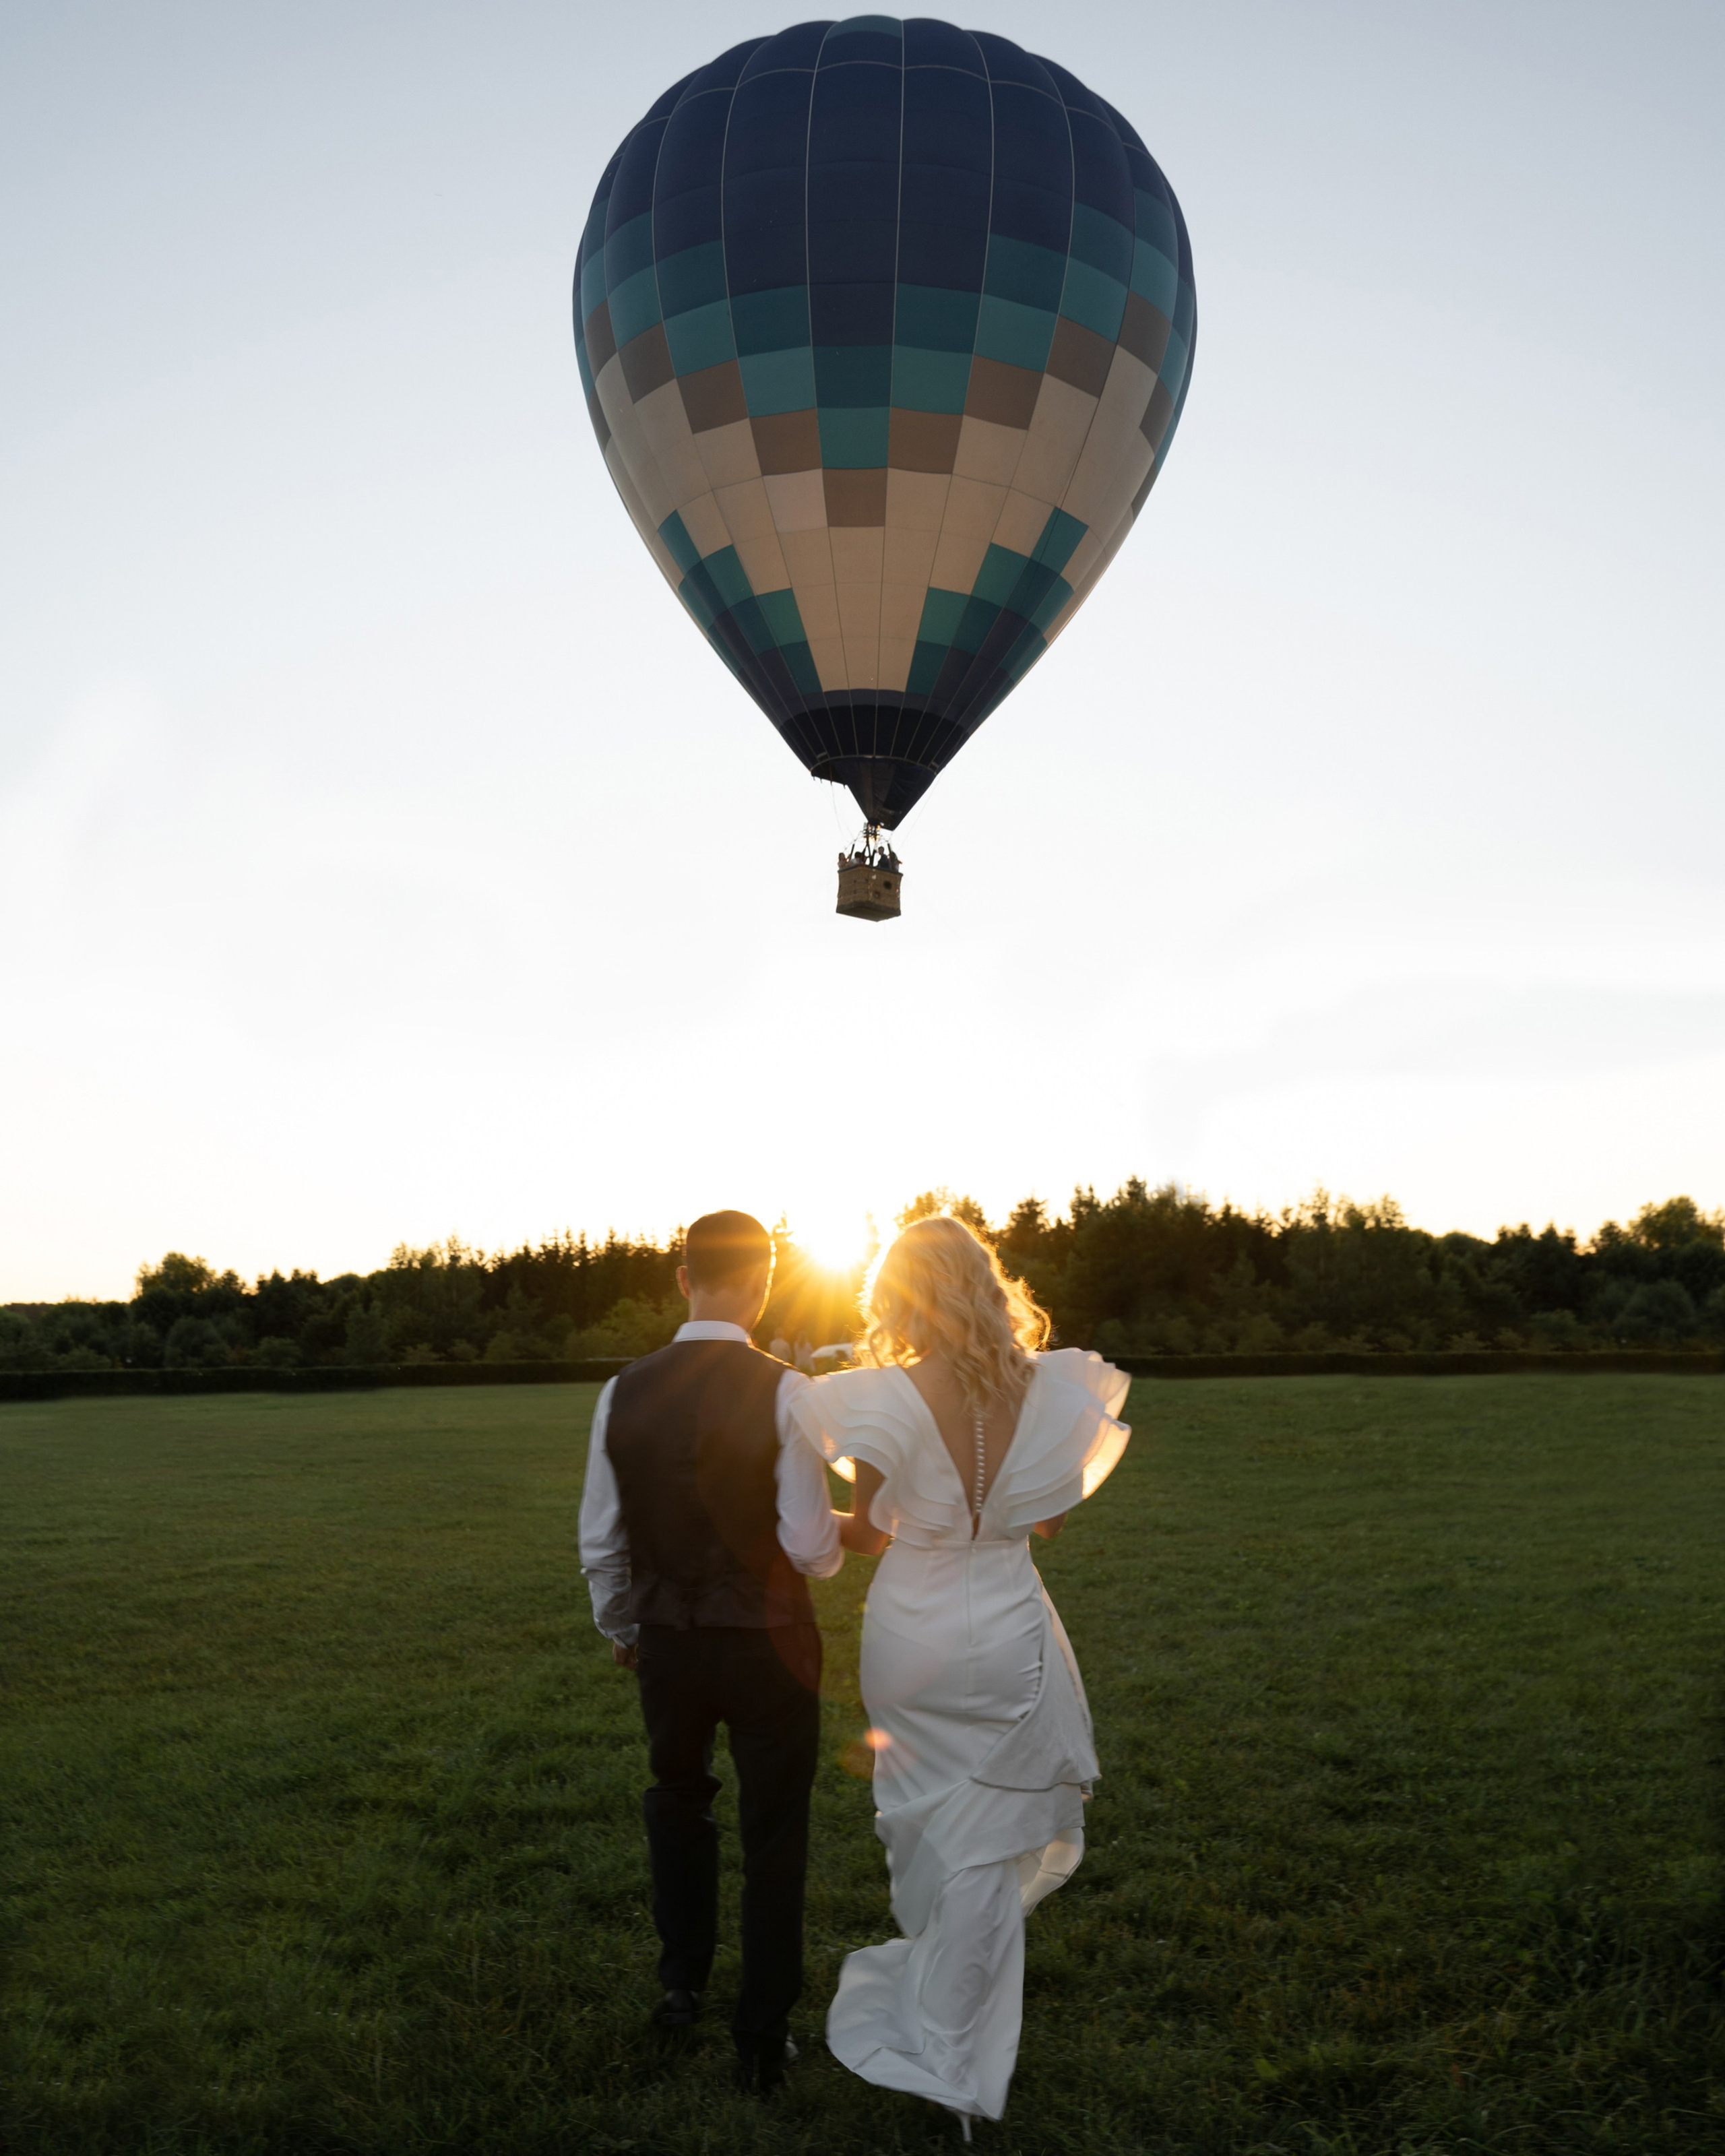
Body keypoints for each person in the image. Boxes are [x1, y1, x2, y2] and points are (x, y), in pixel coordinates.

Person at [791, 1215, 1129, 2136]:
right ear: (984, 1285)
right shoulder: (1056, 1393)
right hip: (1009, 1622)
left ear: (900, 1294)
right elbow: (1049, 1523)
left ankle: (945, 2044)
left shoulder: (880, 1399)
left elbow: (868, 1533)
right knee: (989, 1829)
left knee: (936, 1825)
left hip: (912, 1629)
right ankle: (953, 2026)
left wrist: (814, 1528)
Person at [578, 1210, 842, 2093]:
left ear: (682, 1278)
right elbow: (807, 1545)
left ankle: (681, 1985)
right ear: (764, 1285)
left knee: (677, 1803)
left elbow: (600, 1538)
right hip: (770, 1642)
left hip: (668, 1642)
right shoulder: (788, 1391)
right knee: (775, 1832)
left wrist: (624, 1627)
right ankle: (762, 2038)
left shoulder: (621, 1390)